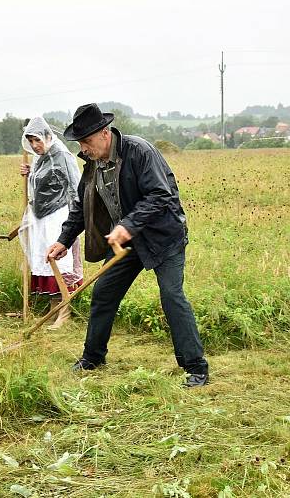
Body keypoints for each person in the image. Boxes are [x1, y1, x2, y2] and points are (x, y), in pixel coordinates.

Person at [46, 103, 210, 388]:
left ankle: (196, 367)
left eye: (86, 141)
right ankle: (92, 357)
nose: (83, 148)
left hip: (162, 237)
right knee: (104, 294)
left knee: (172, 296)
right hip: (125, 242)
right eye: (80, 143)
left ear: (105, 133)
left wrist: (127, 225)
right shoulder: (92, 164)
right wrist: (64, 239)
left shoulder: (140, 151)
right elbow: (81, 207)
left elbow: (161, 196)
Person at [19, 117, 82, 329]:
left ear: (47, 136)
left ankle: (64, 312)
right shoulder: (41, 158)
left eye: (37, 140)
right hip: (41, 217)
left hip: (59, 215)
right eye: (31, 141)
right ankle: (54, 309)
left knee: (59, 261)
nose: (35, 146)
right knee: (46, 260)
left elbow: (75, 186)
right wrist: (29, 175)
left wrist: (76, 219)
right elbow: (41, 185)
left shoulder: (62, 155)